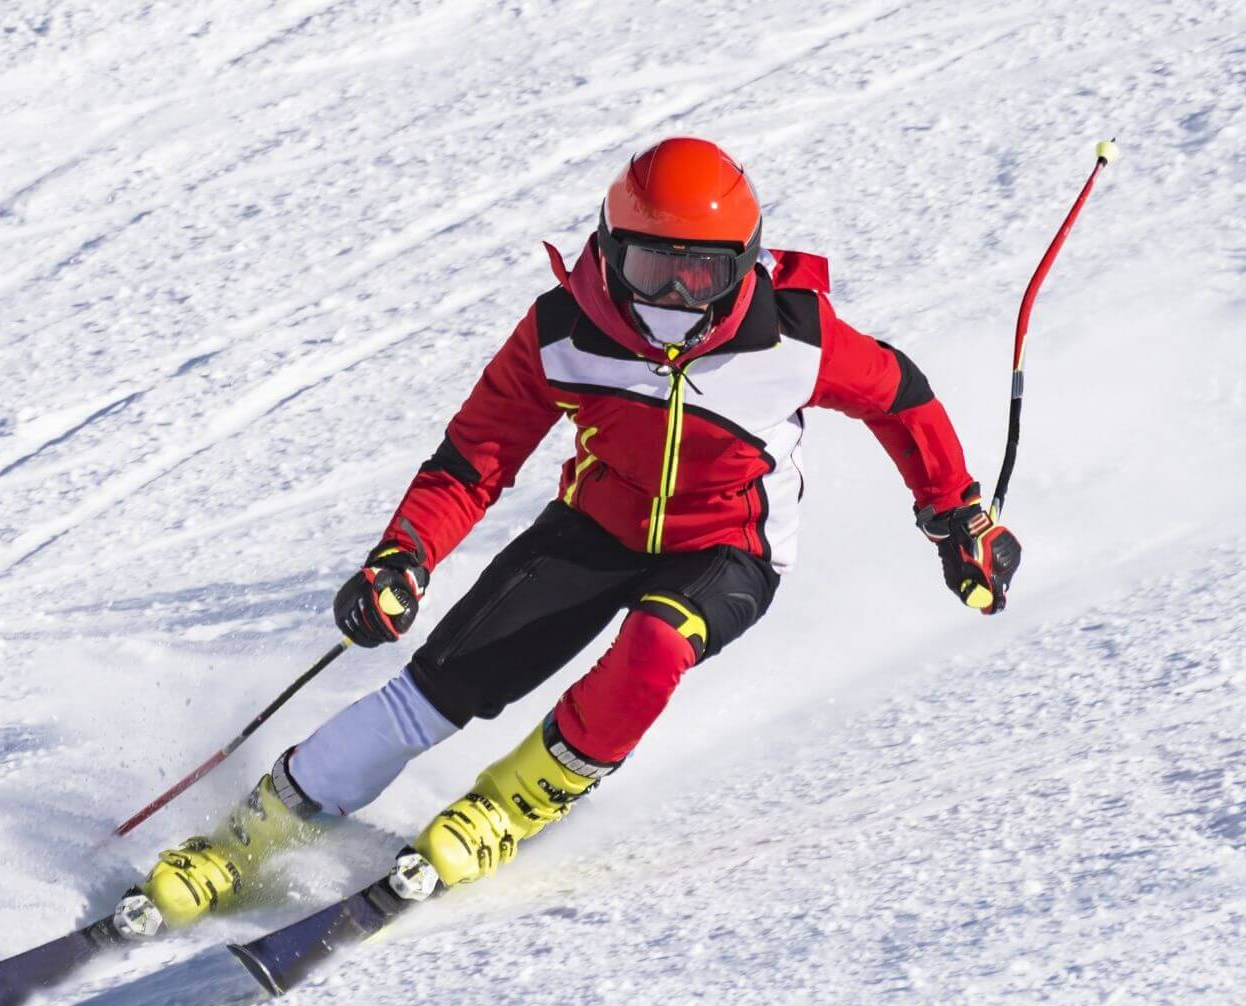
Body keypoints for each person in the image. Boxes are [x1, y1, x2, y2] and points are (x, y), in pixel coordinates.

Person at [134, 136, 1021, 926]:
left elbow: (900, 395)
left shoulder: (794, 338)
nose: (674, 297)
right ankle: (244, 842)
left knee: (656, 643)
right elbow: (474, 456)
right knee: (432, 691)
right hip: (592, 529)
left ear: (744, 266)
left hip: (731, 548)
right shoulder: (564, 330)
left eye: (701, 274)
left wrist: (957, 517)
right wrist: (402, 557)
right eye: (649, 268)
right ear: (607, 249)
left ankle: (509, 808)